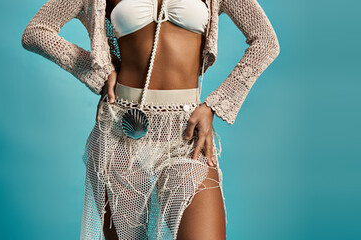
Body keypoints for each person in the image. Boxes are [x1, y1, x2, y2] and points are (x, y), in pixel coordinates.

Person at [21, 0, 280, 239]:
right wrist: (98, 72)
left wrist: (215, 104)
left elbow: (266, 41)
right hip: (121, 133)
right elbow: (36, 32)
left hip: (185, 136)